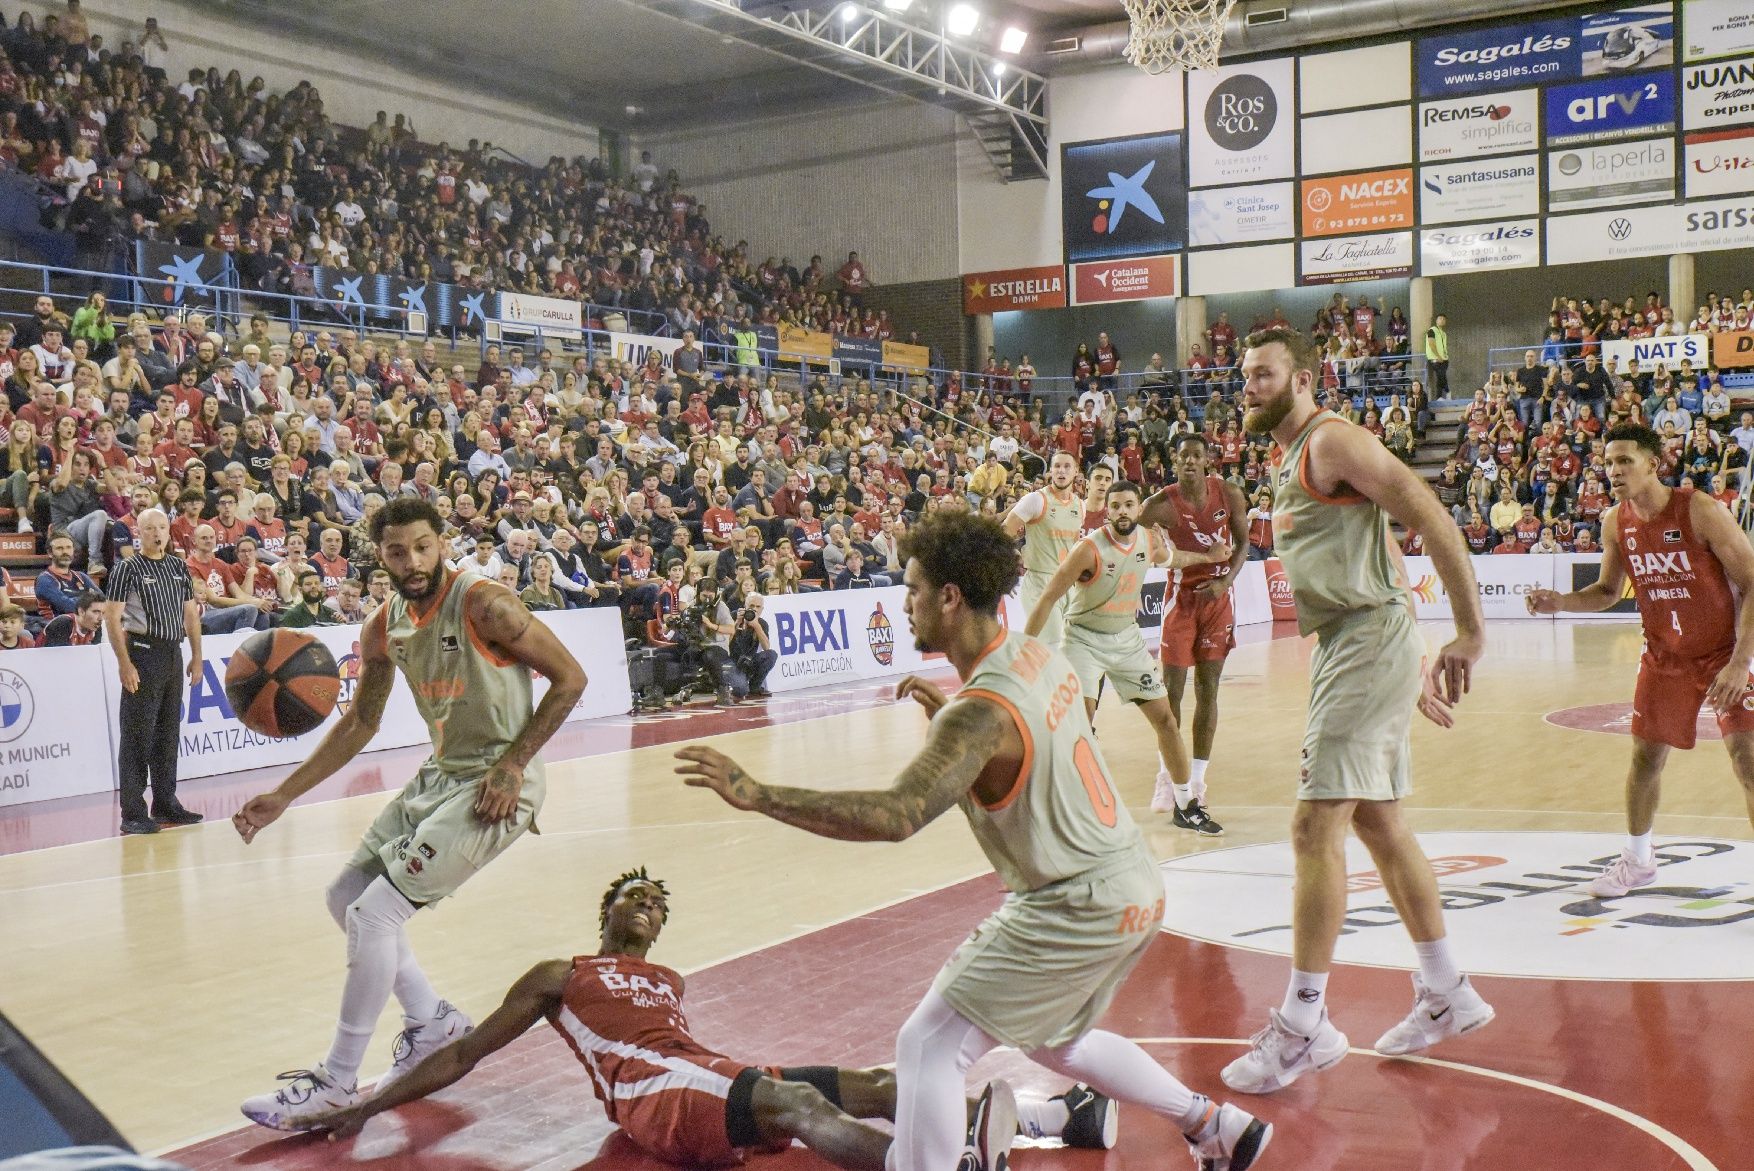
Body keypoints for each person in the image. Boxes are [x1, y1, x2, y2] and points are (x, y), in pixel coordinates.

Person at [677, 510, 1273, 1171]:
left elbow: (897, 813)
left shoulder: (979, 713)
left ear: (950, 597)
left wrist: (759, 792)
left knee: (927, 1044)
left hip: (1072, 900)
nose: (905, 604)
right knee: (1059, 1041)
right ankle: (1214, 1124)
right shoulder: (1036, 653)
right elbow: (1026, 757)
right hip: (1132, 885)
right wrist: (956, 738)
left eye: (913, 590)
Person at [305, 868, 1113, 1166]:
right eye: (635, 896)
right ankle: (931, 1167)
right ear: (609, 910)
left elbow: (687, 1047)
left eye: (658, 903)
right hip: (655, 1095)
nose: (648, 905)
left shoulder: (668, 975)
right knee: (800, 1107)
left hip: (702, 1071)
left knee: (872, 1079)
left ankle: (1054, 1113)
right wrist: (370, 1102)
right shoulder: (563, 973)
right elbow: (466, 1053)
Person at [232, 498, 588, 1130]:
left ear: (441, 541)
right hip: (444, 773)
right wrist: (285, 794)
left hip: (501, 781)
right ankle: (431, 1023)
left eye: (424, 547)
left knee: (376, 912)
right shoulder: (382, 626)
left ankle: (339, 1080)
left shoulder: (486, 604)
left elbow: (571, 678)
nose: (413, 561)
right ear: (381, 556)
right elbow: (362, 720)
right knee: (346, 897)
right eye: (398, 552)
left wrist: (514, 763)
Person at [1220, 327, 1493, 1096]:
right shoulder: (1295, 454)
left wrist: (1468, 631)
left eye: (1264, 374)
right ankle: (1447, 988)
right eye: (1246, 375)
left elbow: (1426, 512)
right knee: (1377, 821)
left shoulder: (1331, 441)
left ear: (1304, 379)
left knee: (1315, 826)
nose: (1250, 386)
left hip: (1362, 636)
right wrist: (1405, 652)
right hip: (1363, 638)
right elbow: (1385, 547)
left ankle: (1305, 1024)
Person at [1526, 423, 1754, 895]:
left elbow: (1752, 581)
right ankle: (1638, 859)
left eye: (1624, 460)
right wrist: (1560, 602)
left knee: (1748, 760)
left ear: (1654, 464)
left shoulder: (1699, 510)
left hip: (1725, 654)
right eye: (1608, 462)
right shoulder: (1615, 521)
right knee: (1645, 759)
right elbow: (1608, 592)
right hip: (1664, 656)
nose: (1613, 470)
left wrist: (1738, 663)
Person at [1023, 479, 1228, 840]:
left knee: (1165, 719)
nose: (1121, 512)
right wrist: (1025, 649)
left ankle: (1185, 805)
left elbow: (1173, 559)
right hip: (1083, 640)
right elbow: (1048, 598)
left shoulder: (1148, 540)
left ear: (1138, 509)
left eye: (1128, 506)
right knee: (1080, 725)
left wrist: (1208, 558)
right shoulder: (1089, 549)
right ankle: (1065, 810)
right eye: (1114, 506)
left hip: (1127, 641)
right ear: (1108, 510)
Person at [1141, 435, 1250, 832]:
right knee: (1170, 694)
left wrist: (1225, 583)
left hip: (1218, 601)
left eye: (1196, 456)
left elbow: (1244, 544)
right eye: (1183, 455)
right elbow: (1127, 536)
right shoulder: (1161, 504)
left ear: (1208, 461)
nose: (1189, 461)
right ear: (1174, 459)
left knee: (1209, 690)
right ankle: (1166, 776)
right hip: (1181, 600)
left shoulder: (1230, 494)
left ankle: (1198, 782)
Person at [103, 507, 203, 836]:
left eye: (162, 527)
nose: (158, 533)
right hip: (143, 653)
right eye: (150, 529)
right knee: (137, 735)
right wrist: (124, 662)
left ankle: (165, 803)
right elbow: (112, 618)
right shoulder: (127, 568)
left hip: (172, 653)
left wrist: (197, 655)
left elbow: (190, 614)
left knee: (167, 733)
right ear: (139, 532)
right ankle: (132, 812)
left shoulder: (178, 566)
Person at [1000, 451, 1083, 649]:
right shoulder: (1036, 500)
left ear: (1076, 471)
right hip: (1040, 582)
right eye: (1057, 466)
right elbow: (1003, 532)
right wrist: (1012, 556)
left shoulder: (1080, 505)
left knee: (1072, 649)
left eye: (1066, 466)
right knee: (1052, 649)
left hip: (1069, 584)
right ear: (1051, 471)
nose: (1061, 471)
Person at [730, 591, 777, 698]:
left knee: (771, 655)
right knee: (739, 692)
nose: (755, 609)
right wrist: (737, 622)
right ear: (745, 606)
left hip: (749, 661)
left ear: (762, 609)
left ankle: (754, 686)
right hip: (732, 661)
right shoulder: (734, 616)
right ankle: (736, 685)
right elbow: (724, 642)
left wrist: (757, 626)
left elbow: (766, 647)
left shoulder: (762, 623)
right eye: (751, 606)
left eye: (758, 606)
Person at [41, 588, 106, 646]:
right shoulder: (63, 623)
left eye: (103, 613)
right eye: (96, 612)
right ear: (81, 611)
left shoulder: (95, 627)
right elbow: (57, 657)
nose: (100, 618)